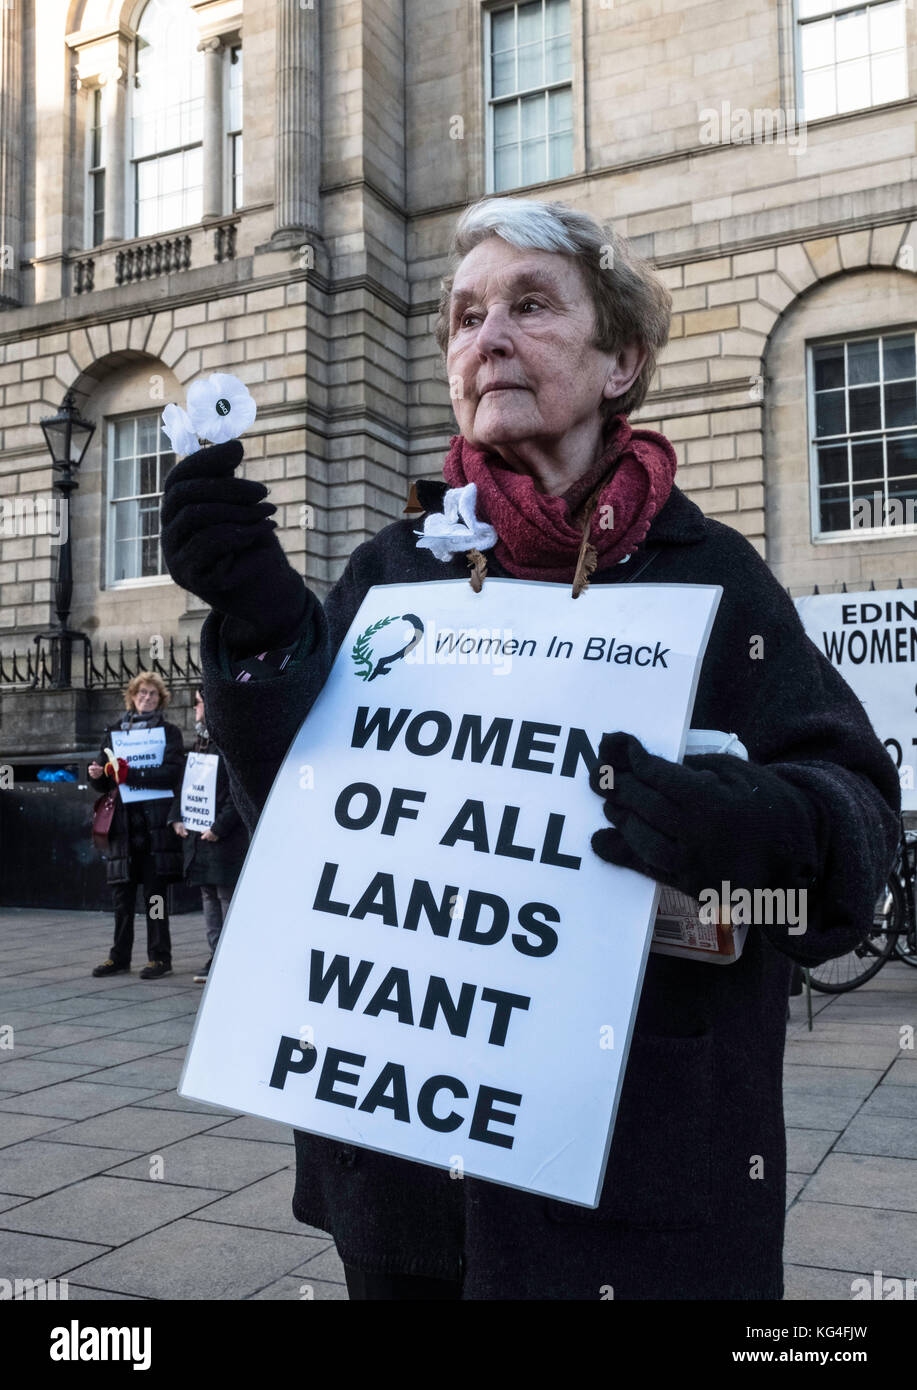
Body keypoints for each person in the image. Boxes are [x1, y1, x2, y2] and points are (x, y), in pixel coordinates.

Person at [159, 196, 899, 1300]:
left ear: (620, 362)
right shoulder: (396, 566)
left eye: (529, 305)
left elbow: (857, 816)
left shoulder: (712, 572)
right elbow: (303, 825)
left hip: (641, 1172)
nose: (484, 336)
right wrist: (267, 635)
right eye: (462, 317)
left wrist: (764, 821)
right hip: (408, 1171)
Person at [88, 672, 184, 980]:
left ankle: (160, 958)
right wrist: (95, 775)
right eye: (142, 693)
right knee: (122, 898)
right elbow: (104, 779)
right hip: (124, 828)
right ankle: (119, 956)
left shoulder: (169, 732)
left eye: (153, 694)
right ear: (132, 696)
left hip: (154, 827)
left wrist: (132, 776)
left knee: (155, 898)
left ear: (161, 699)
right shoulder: (115, 732)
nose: (147, 698)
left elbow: (171, 774)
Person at [168, 688, 248, 982]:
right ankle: (216, 955)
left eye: (198, 704)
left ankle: (230, 956)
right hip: (199, 836)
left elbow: (238, 792)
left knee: (225, 896)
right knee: (208, 894)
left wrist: (219, 827)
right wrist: (176, 816)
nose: (195, 710)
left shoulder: (228, 743)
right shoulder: (199, 743)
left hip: (221, 837)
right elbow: (186, 785)